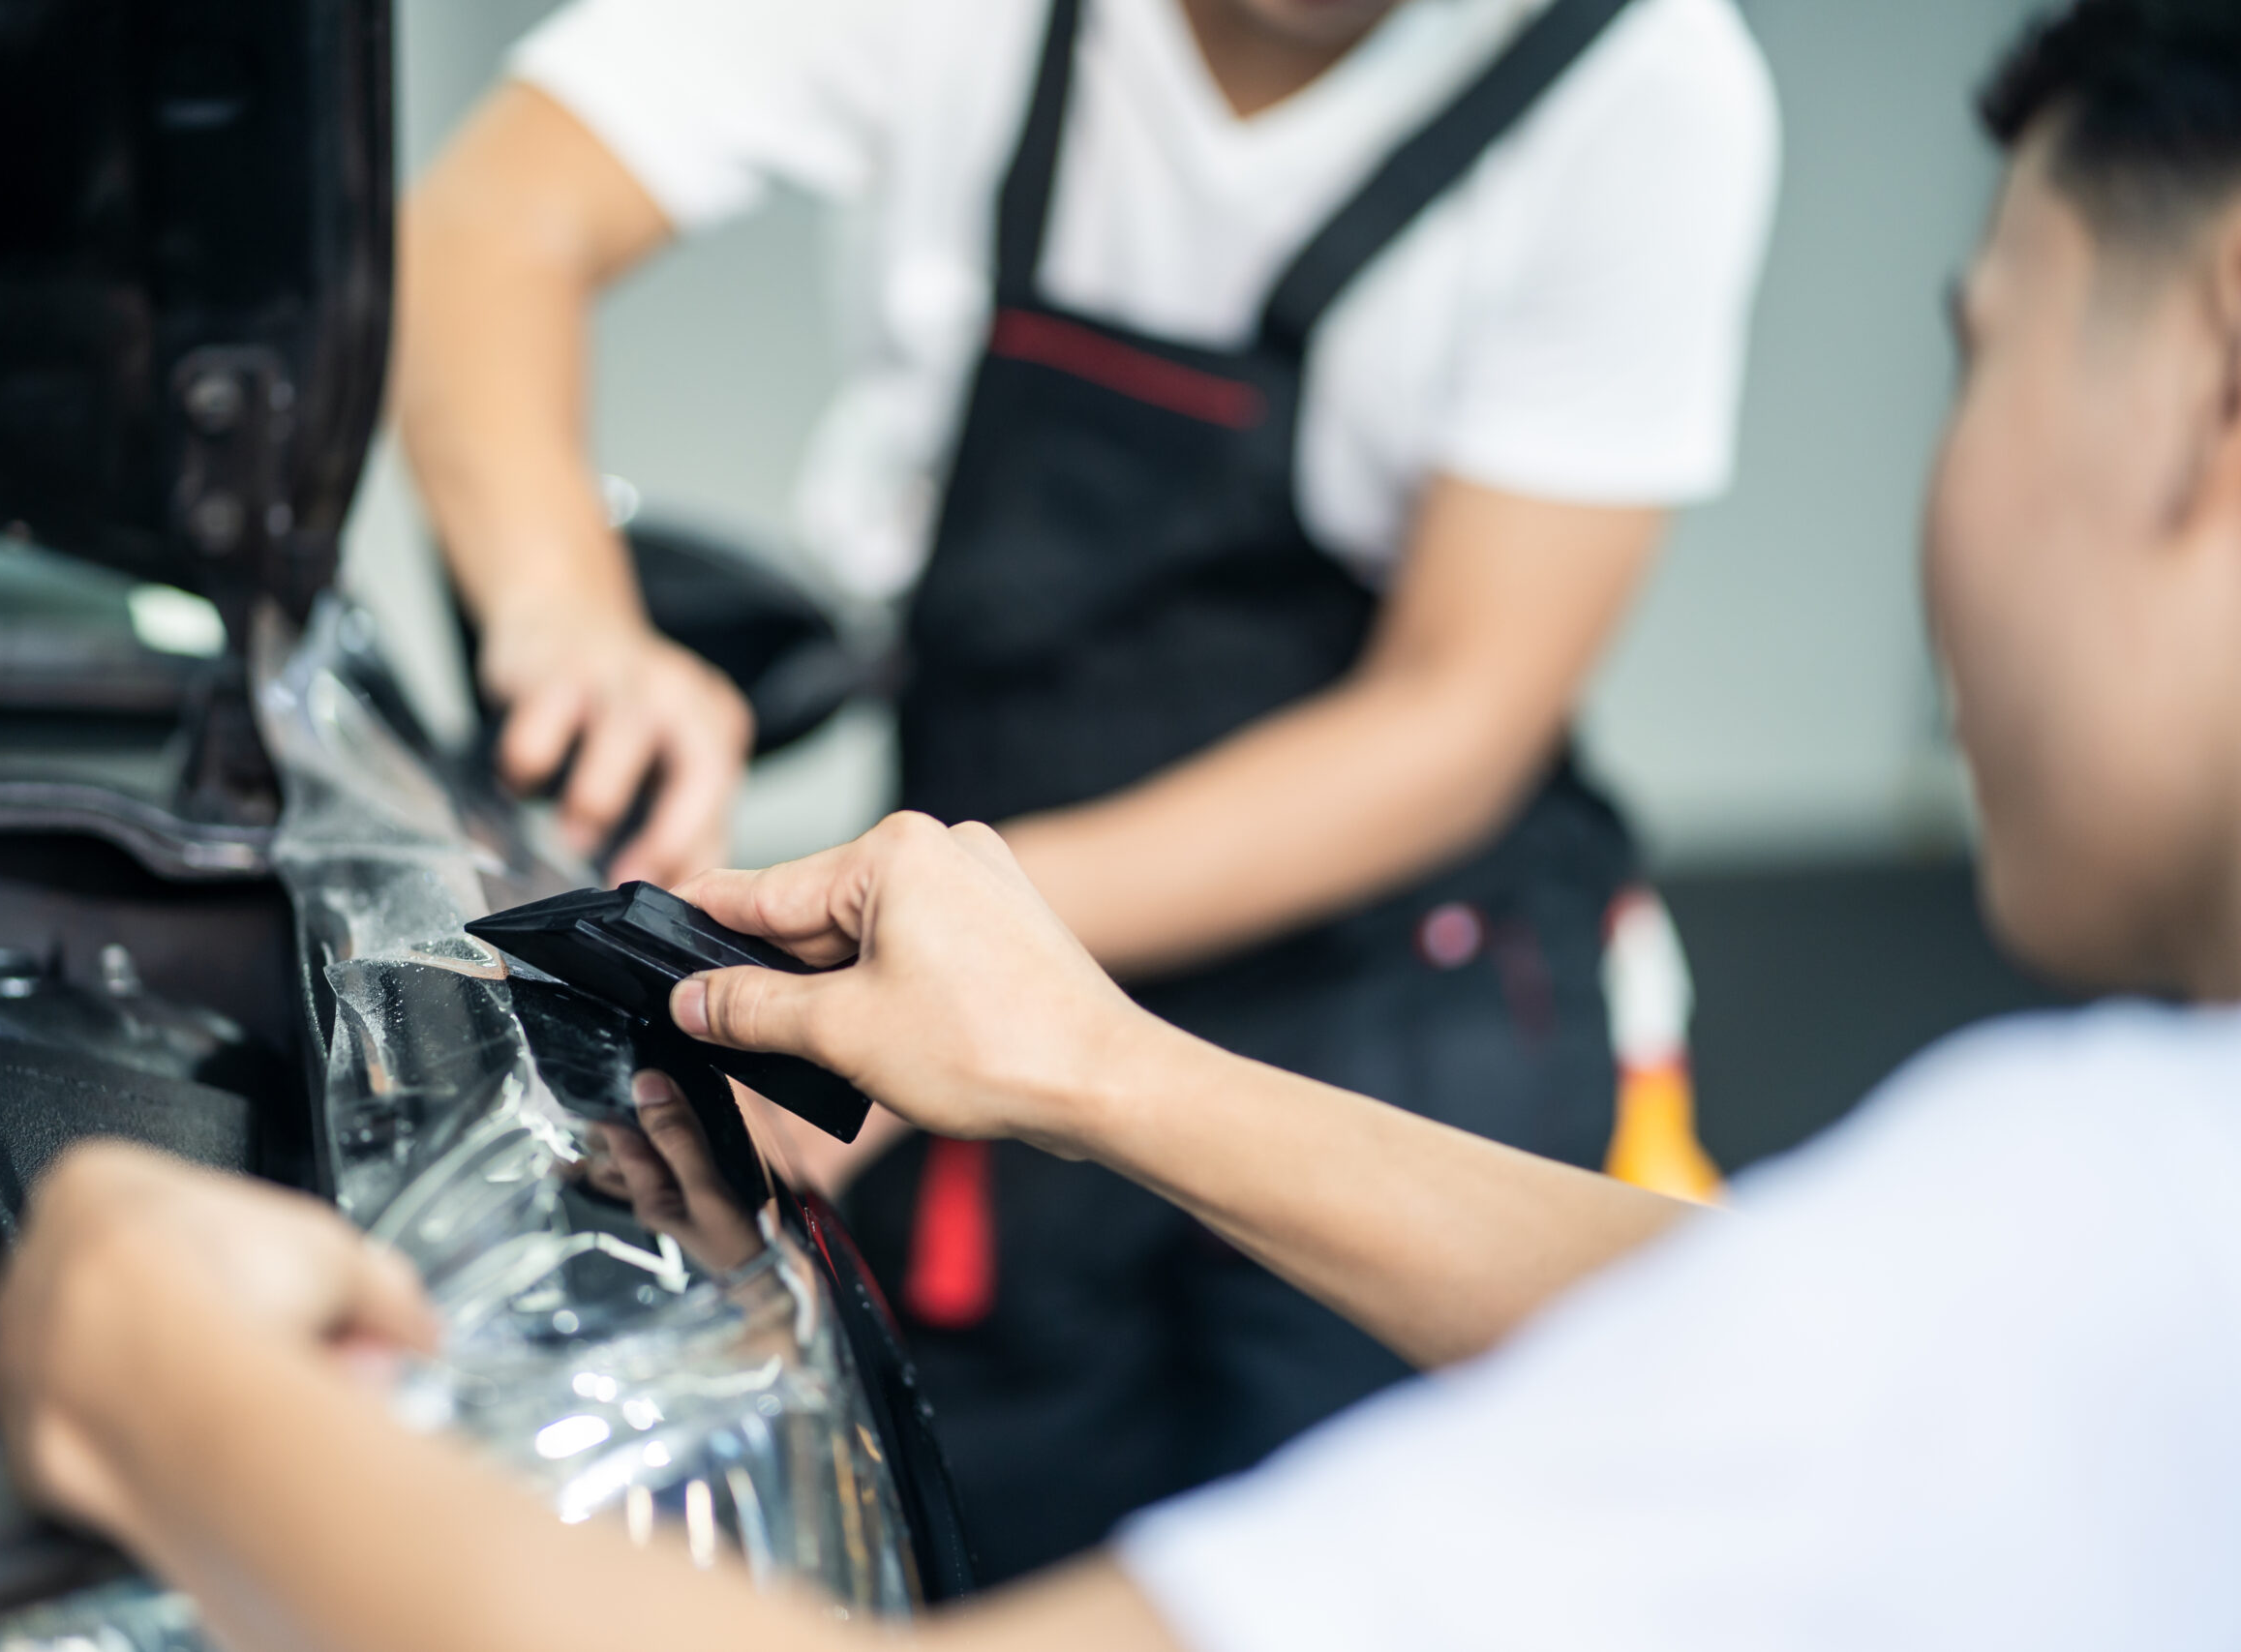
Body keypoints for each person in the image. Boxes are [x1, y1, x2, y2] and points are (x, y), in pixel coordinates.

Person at [0, 3, 2241, 1642]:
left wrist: (155, 1377)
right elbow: (1766, 1313)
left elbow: (1454, 719)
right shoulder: (2065, 1230)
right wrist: (1074, 1056)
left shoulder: (2085, 1228)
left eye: (1981, 347)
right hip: (1030, 1021)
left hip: (1420, 991)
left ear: (2212, 391)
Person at [398, 0, 1778, 1571]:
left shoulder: (1643, 85)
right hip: (975, 1007)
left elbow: (1454, 719)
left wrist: (952, 974)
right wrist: (571, 624)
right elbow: (484, 222)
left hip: (1395, 1017)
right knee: (972, 1535)